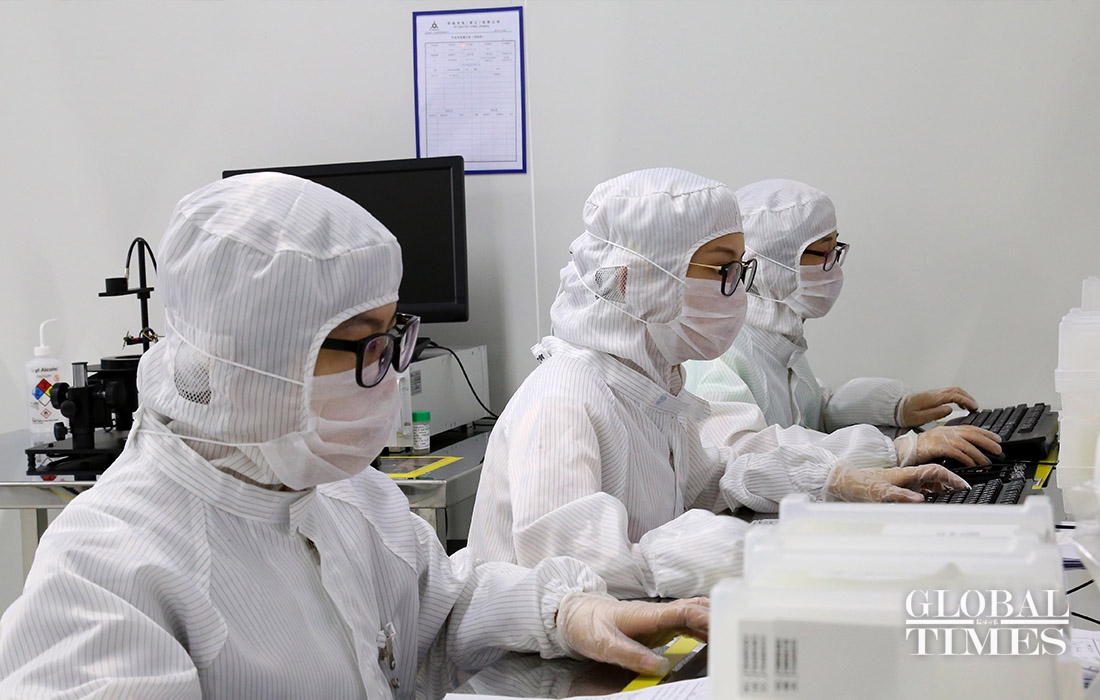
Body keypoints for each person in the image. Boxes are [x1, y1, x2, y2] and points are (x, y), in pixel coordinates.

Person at [0, 173, 711, 698]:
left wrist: (566, 611)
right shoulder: (107, 571)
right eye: (369, 344)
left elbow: (440, 608)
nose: (391, 372)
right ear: (258, 359)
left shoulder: (344, 495)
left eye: (394, 336)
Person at [466, 168, 967, 601]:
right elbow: (576, 572)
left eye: (739, 268)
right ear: (636, 280)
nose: (738, 289)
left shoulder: (650, 385)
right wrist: (752, 549)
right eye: (723, 269)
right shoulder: (566, 397)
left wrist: (831, 480)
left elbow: (712, 478)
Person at [683, 179, 1000, 468]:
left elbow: (813, 411)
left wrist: (898, 408)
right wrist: (894, 449)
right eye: (823, 251)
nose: (833, 266)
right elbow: (744, 450)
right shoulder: (720, 353)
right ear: (773, 264)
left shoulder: (776, 338)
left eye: (836, 248)